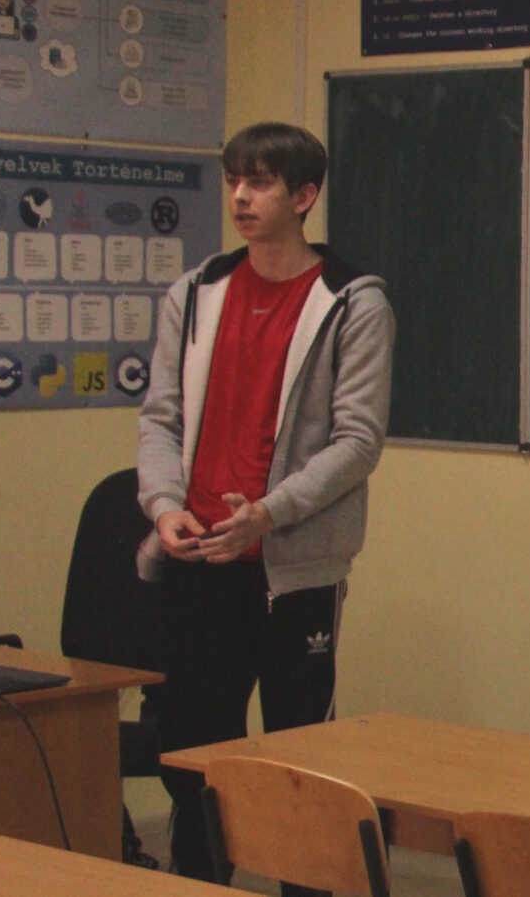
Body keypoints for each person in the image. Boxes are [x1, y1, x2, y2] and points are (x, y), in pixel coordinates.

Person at [135, 122, 393, 886]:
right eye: (233, 180)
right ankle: (197, 878)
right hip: (198, 558)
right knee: (194, 750)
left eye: (261, 182)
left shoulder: (351, 301)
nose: (241, 197)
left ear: (303, 196)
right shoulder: (196, 292)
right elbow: (160, 418)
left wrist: (268, 513)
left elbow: (358, 441)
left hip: (292, 571)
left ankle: (302, 883)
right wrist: (164, 506)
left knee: (297, 757)